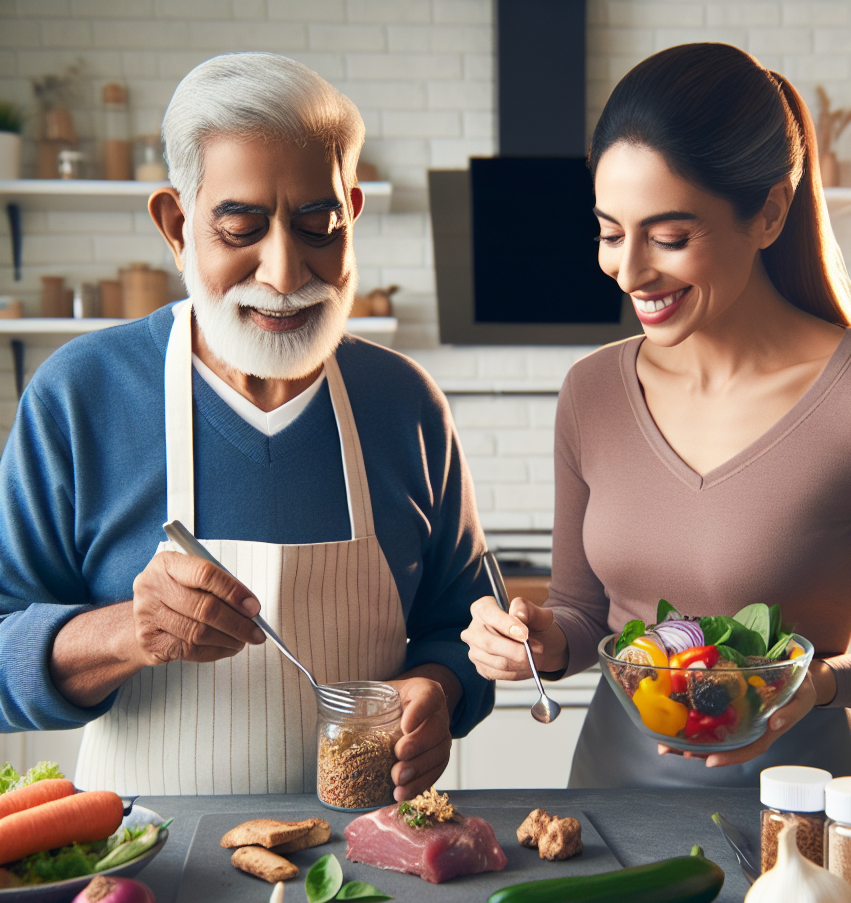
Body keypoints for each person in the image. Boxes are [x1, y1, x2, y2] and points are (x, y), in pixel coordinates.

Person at [463, 43, 851, 787]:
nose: (630, 270)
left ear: (769, 213)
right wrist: (536, 643)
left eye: (670, 237)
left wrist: (822, 684)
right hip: (609, 815)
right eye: (611, 233)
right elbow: (587, 616)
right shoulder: (592, 392)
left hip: (797, 813)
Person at [0, 53, 492, 798]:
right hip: (150, 872)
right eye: (240, 228)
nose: (286, 272)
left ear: (352, 214)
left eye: (318, 225)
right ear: (176, 224)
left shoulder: (403, 403)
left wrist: (438, 689)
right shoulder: (80, 395)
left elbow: (465, 625)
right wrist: (125, 633)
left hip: (372, 862)